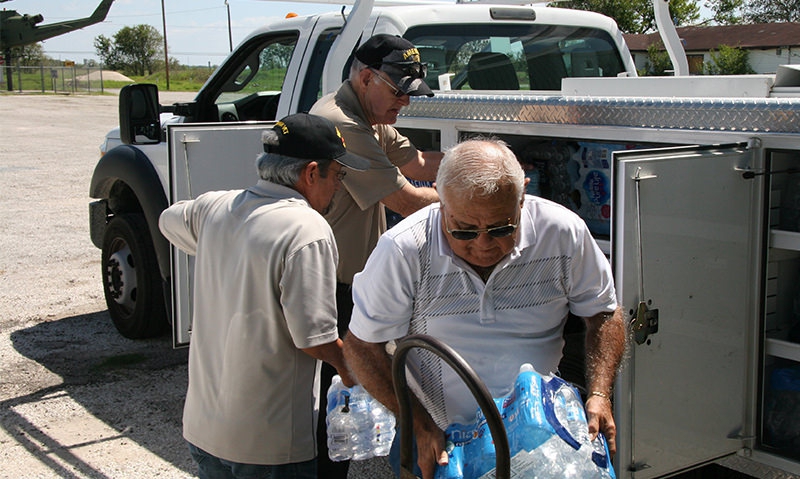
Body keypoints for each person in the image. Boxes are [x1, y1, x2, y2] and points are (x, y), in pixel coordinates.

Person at [342, 138, 627, 479]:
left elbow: (604, 313)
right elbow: (362, 346)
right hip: (441, 439)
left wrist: (599, 393)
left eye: (501, 228)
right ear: (439, 198)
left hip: (537, 437)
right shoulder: (404, 250)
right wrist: (417, 423)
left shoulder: (563, 233)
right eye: (463, 229)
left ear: (522, 194)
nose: (483, 244)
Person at [158, 113, 366, 479]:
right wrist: (359, 374)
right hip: (269, 446)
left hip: (204, 431)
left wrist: (221, 244)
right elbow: (315, 341)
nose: (338, 186)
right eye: (338, 175)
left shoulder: (215, 208)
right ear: (311, 173)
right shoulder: (307, 229)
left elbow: (168, 219)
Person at [310, 33, 443, 476]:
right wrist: (481, 193)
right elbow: (404, 198)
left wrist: (483, 155)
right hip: (331, 286)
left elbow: (419, 164)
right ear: (366, 78)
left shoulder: (369, 116)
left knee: (351, 385)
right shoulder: (342, 123)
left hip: (353, 281)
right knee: (338, 391)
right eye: (399, 91)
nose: (405, 103)